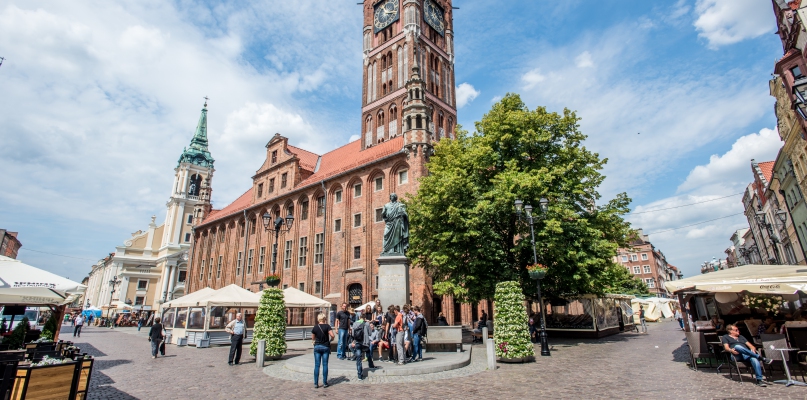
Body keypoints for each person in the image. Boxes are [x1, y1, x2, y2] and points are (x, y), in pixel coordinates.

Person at [311, 313, 334, 389]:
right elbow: (332, 335)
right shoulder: (327, 326)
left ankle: (315, 383)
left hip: (317, 347)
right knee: (325, 365)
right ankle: (325, 383)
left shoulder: (315, 327)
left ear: (318, 319)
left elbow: (313, 338)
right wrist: (331, 340)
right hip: (325, 347)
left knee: (317, 365)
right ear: (324, 319)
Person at [350, 314, 376, 380]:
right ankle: (371, 365)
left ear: (359, 317)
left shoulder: (355, 323)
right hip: (365, 342)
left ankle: (359, 375)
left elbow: (353, 334)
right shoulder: (367, 324)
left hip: (358, 342)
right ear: (365, 318)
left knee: (358, 358)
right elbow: (370, 333)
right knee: (368, 352)